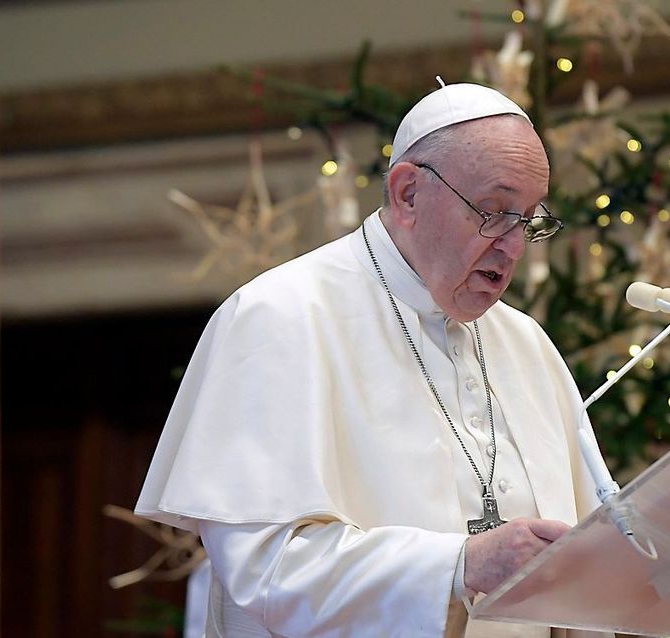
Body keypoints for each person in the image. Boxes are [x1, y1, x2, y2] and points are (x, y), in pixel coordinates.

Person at [136, 82, 605, 637]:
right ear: (408, 193)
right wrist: (460, 565)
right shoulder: (280, 317)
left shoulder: (527, 345)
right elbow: (265, 573)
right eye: (495, 212)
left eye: (528, 219)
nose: (514, 246)